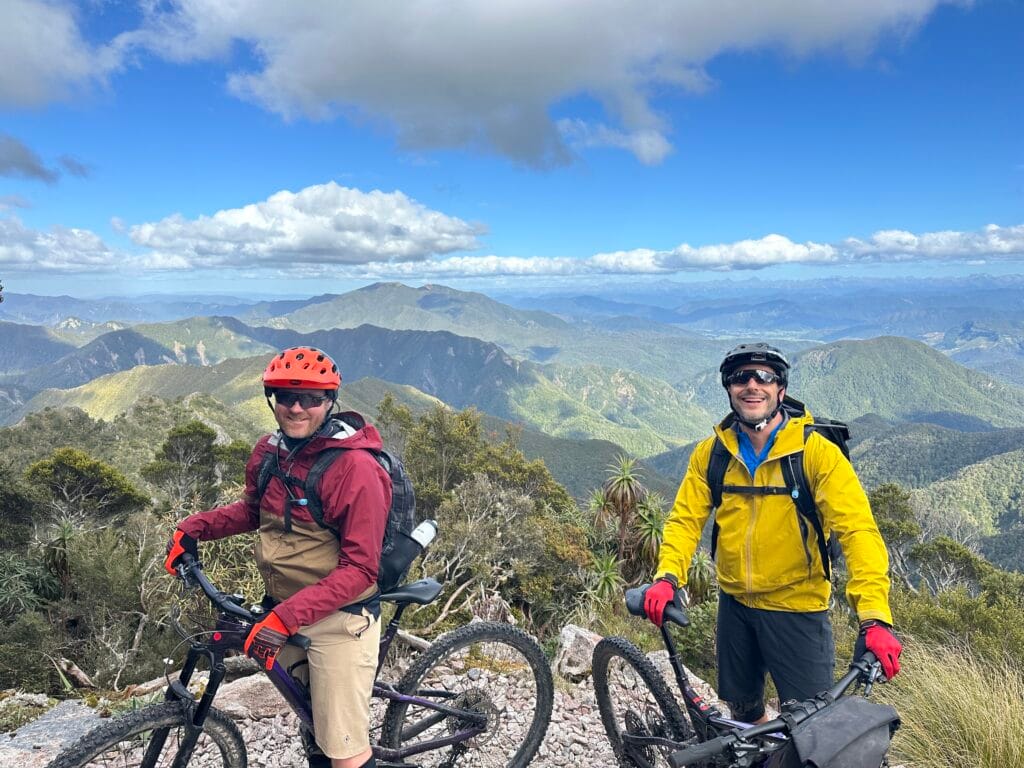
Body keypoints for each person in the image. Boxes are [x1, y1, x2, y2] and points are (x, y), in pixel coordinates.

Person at [645, 342, 902, 723]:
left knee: (811, 727)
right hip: (734, 606)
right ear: (729, 389)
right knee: (743, 712)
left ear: (780, 390)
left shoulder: (815, 454)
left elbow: (858, 531)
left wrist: (875, 617)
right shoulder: (712, 455)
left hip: (797, 610)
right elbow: (684, 521)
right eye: (740, 377)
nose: (752, 385)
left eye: (764, 377)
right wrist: (668, 576)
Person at [165, 346, 390, 768]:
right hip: (284, 609)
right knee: (313, 724)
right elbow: (253, 511)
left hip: (339, 619)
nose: (297, 407)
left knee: (343, 752)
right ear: (272, 399)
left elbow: (361, 570)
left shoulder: (356, 470)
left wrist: (285, 618)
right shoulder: (272, 452)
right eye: (287, 396)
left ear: (330, 402)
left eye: (312, 398)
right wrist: (193, 527)